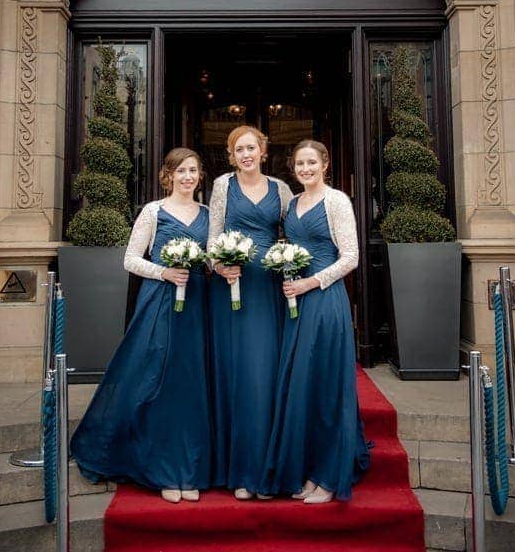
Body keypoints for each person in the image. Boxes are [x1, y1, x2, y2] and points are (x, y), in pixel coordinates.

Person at [71, 148, 212, 503]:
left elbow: (211, 259)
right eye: (180, 171)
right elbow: (130, 259)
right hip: (160, 302)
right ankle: (162, 468)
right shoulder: (153, 211)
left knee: (191, 384)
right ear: (168, 176)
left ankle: (188, 468)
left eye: (193, 170)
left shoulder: (209, 215)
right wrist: (164, 272)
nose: (187, 177)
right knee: (158, 380)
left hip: (197, 304)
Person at [259, 139, 370, 502]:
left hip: (324, 299)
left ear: (325, 164)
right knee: (301, 385)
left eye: (311, 162)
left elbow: (350, 256)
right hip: (296, 302)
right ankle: (308, 470)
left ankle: (328, 475)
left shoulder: (336, 200)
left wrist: (311, 281)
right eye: (299, 163)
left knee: (325, 385)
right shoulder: (292, 203)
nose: (305, 168)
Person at [208, 126, 293, 499]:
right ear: (231, 155)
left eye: (251, 148)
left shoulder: (282, 189)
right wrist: (219, 266)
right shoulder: (222, 186)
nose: (245, 154)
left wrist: (291, 263)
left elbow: (293, 233)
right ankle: (241, 469)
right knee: (241, 374)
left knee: (269, 374)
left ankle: (271, 466)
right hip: (234, 290)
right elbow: (213, 236)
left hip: (272, 290)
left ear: (263, 151)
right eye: (238, 149)